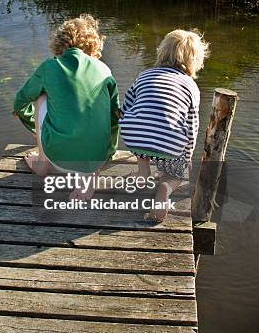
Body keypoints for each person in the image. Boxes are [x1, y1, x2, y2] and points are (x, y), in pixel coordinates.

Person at [13, 14, 120, 195]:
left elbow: (20, 102)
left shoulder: (50, 66)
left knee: (41, 98)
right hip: (98, 158)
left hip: (59, 160)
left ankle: (42, 163)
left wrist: (34, 125)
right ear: (93, 46)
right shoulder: (104, 70)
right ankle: (90, 174)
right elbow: (115, 117)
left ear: (59, 45)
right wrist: (108, 153)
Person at [119, 29, 210, 222]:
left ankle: (143, 172)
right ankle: (165, 188)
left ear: (162, 52)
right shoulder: (190, 86)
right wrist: (187, 158)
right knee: (178, 173)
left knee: (141, 127)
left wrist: (130, 124)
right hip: (168, 142)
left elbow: (126, 107)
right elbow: (192, 126)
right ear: (195, 61)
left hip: (134, 136)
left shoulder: (145, 75)